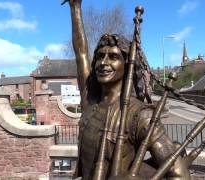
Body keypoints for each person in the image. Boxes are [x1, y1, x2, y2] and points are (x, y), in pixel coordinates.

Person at [67, 0, 189, 179]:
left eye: (113, 57)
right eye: (100, 57)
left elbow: (179, 174)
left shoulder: (140, 115)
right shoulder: (89, 100)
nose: (104, 63)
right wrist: (75, 7)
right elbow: (81, 53)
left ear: (127, 66)